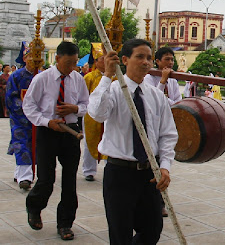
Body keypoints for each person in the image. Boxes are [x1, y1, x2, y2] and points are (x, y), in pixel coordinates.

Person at [88, 39, 178, 243]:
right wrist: (107, 76)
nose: (146, 62)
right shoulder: (112, 91)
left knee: (152, 230)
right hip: (120, 174)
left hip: (150, 174)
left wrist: (164, 167)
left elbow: (168, 135)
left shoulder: (157, 96)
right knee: (120, 234)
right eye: (140, 57)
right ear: (125, 60)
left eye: (148, 58)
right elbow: (97, 113)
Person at [22, 41, 89, 240]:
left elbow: (86, 103)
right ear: (57, 59)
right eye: (68, 63)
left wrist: (75, 109)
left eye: (75, 63)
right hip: (48, 132)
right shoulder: (42, 79)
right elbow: (29, 106)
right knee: (46, 179)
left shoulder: (78, 79)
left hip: (71, 133)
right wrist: (46, 122)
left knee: (70, 181)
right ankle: (34, 207)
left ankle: (65, 223)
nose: (72, 67)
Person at [6, 49, 37, 190]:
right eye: (30, 57)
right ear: (24, 58)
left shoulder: (41, 76)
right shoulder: (17, 76)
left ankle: (20, 172)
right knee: (21, 144)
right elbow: (11, 97)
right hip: (19, 118)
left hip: (36, 118)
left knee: (33, 145)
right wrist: (24, 109)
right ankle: (25, 178)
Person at [82, 46, 108, 182]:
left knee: (109, 139)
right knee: (89, 141)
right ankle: (89, 170)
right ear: (96, 62)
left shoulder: (115, 78)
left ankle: (108, 166)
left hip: (109, 115)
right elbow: (83, 97)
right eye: (102, 59)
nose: (105, 62)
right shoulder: (89, 77)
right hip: (91, 116)